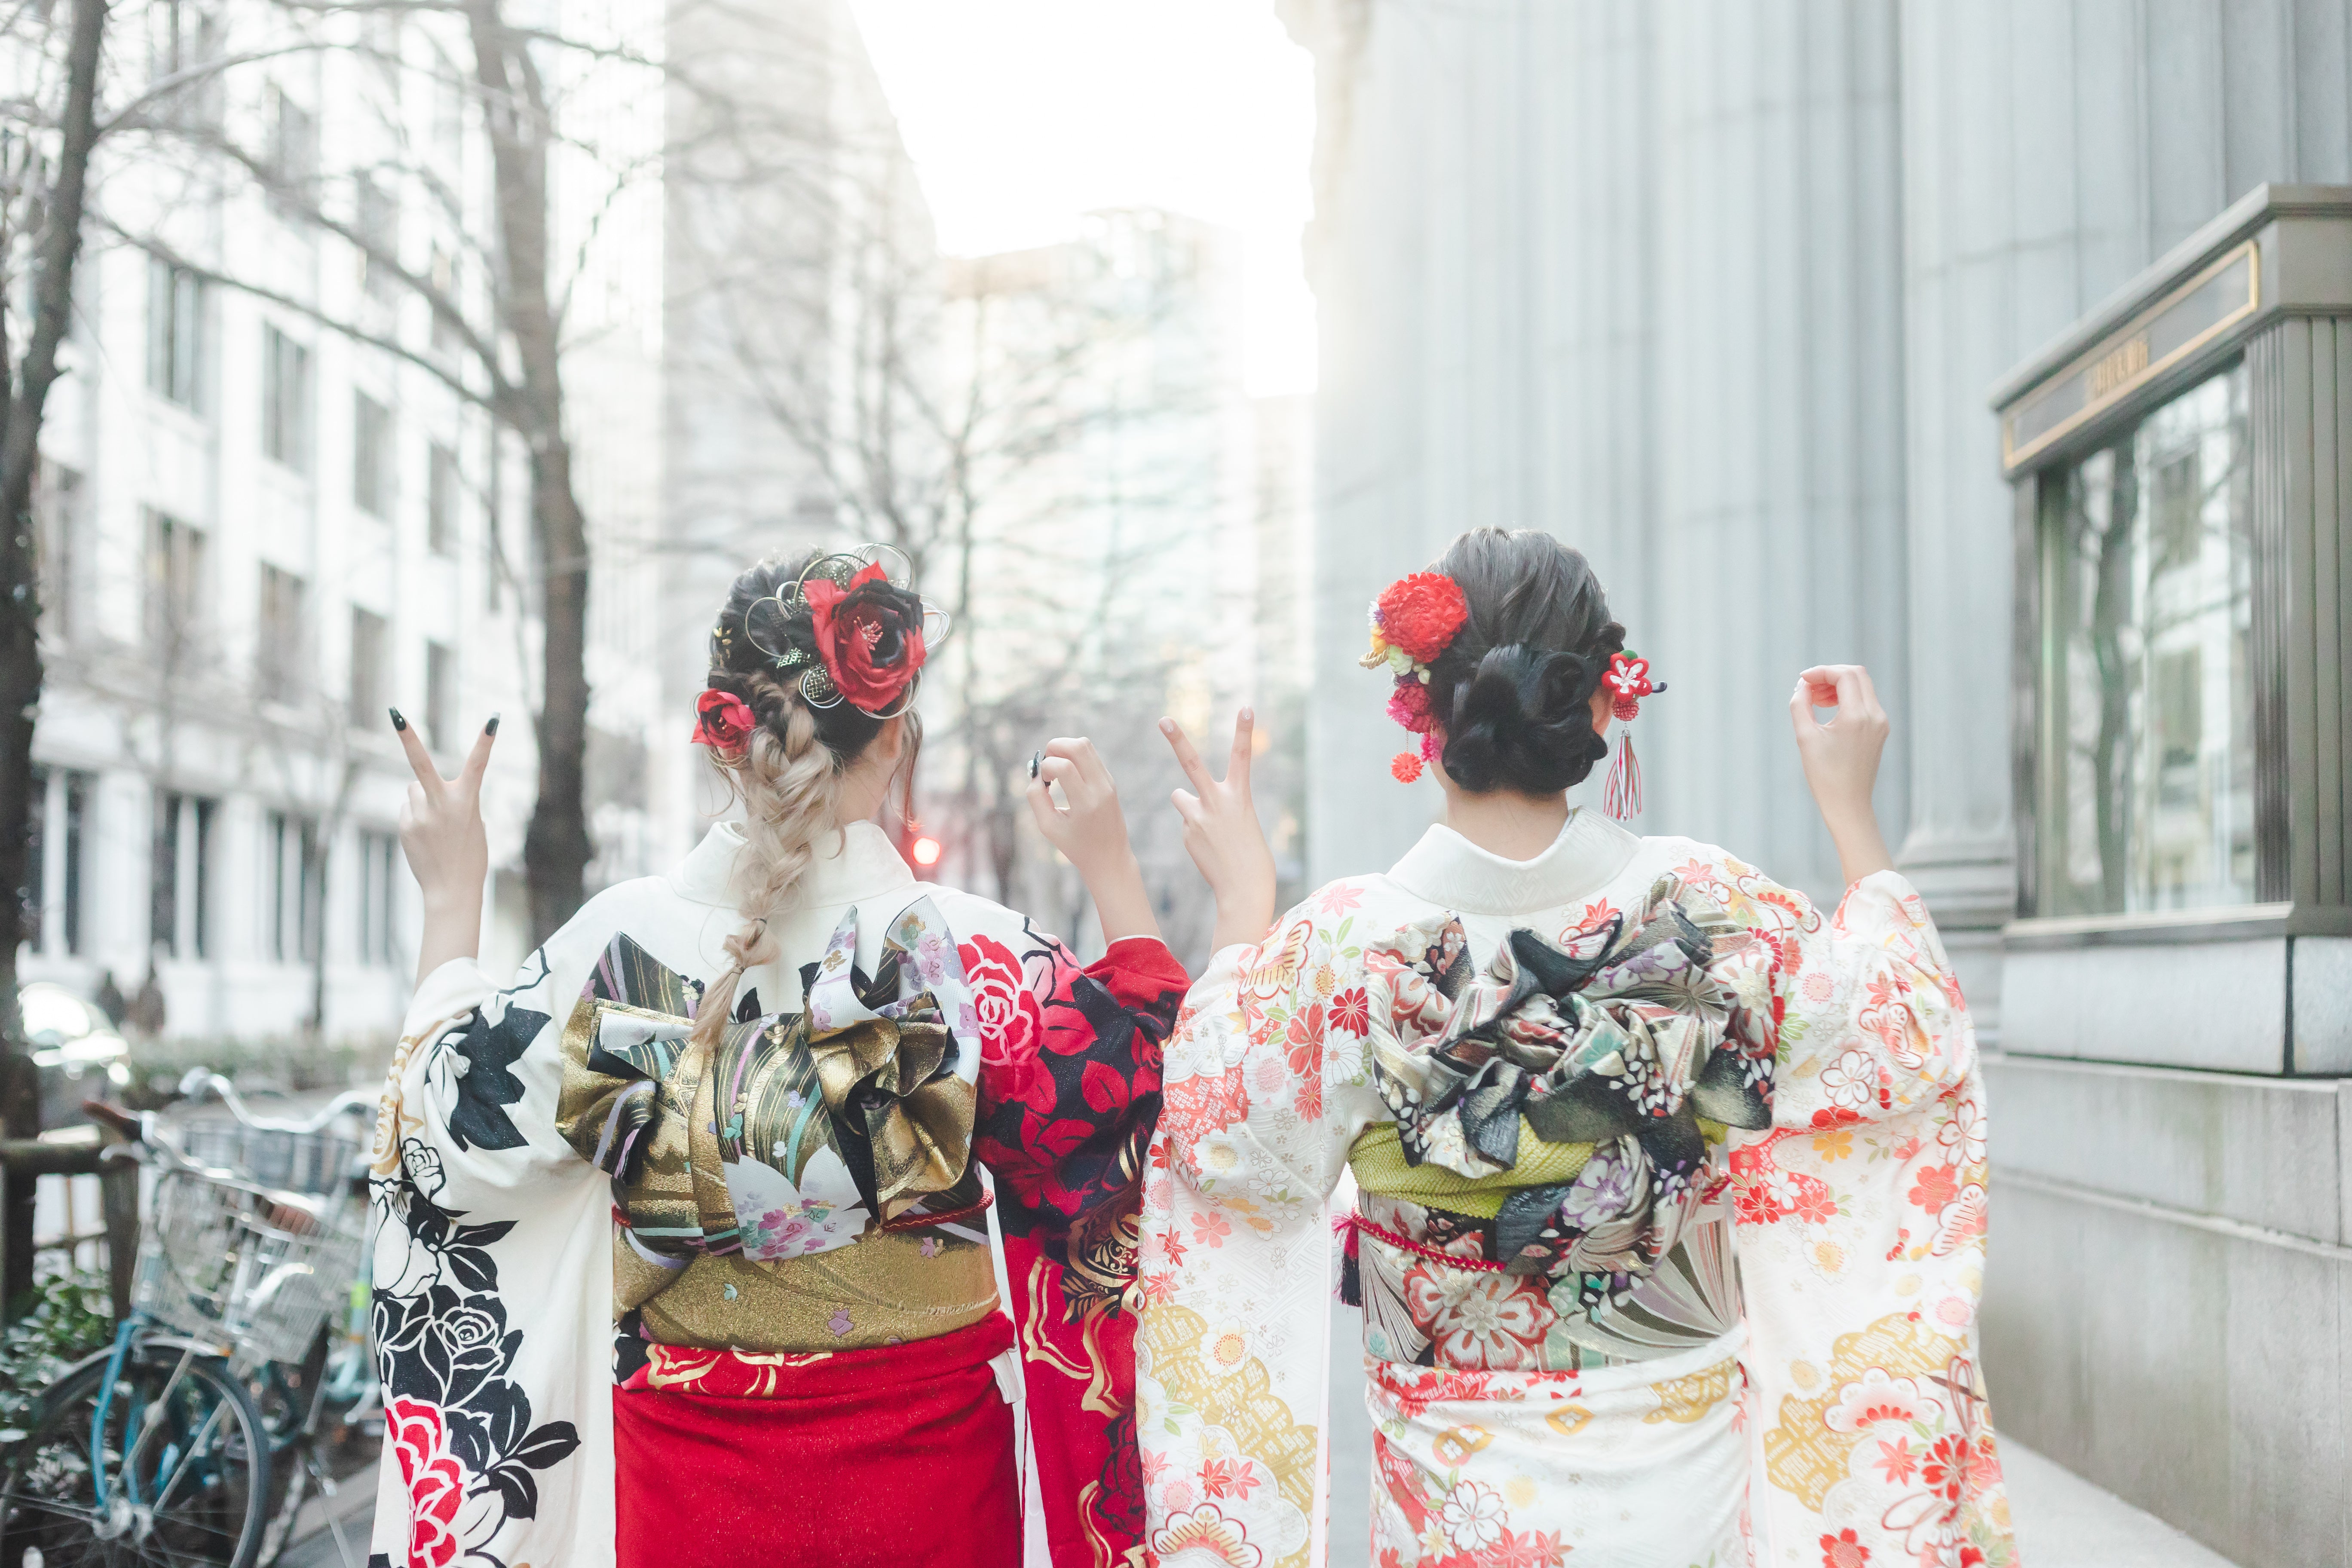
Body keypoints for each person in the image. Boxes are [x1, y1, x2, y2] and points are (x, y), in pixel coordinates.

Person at [1140, 528, 2017, 1568]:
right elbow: (1902, 1044)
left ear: (1421, 713)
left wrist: (1242, 917)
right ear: (1603, 705)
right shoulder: (1708, 904)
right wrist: (1850, 811)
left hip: (1454, 1489)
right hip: (1683, 1478)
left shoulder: (1340, 945)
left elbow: (1227, 1147)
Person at [370, 548, 1181, 1568]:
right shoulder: (970, 954)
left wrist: (453, 895)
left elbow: (446, 1138)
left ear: (726, 736)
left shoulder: (615, 947)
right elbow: (1153, 1112)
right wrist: (1111, 868)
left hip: (688, 1485)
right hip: (928, 1480)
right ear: (898, 738)